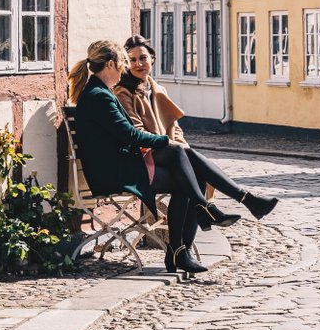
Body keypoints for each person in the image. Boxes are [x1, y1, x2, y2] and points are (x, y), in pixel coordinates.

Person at [68, 40, 214, 275]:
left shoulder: (99, 92)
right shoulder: (99, 96)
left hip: (119, 166)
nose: (126, 68)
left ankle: (181, 249)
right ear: (110, 64)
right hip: (113, 174)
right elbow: (130, 135)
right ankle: (182, 247)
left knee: (188, 175)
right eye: (124, 63)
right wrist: (165, 141)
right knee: (184, 174)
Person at [115, 34, 278, 230]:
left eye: (143, 58)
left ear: (153, 59)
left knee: (194, 171)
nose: (138, 64)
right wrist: (178, 149)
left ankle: (184, 251)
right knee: (187, 164)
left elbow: (175, 131)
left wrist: (181, 149)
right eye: (132, 60)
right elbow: (137, 133)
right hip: (145, 158)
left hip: (167, 155)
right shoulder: (123, 93)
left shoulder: (158, 90)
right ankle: (244, 200)